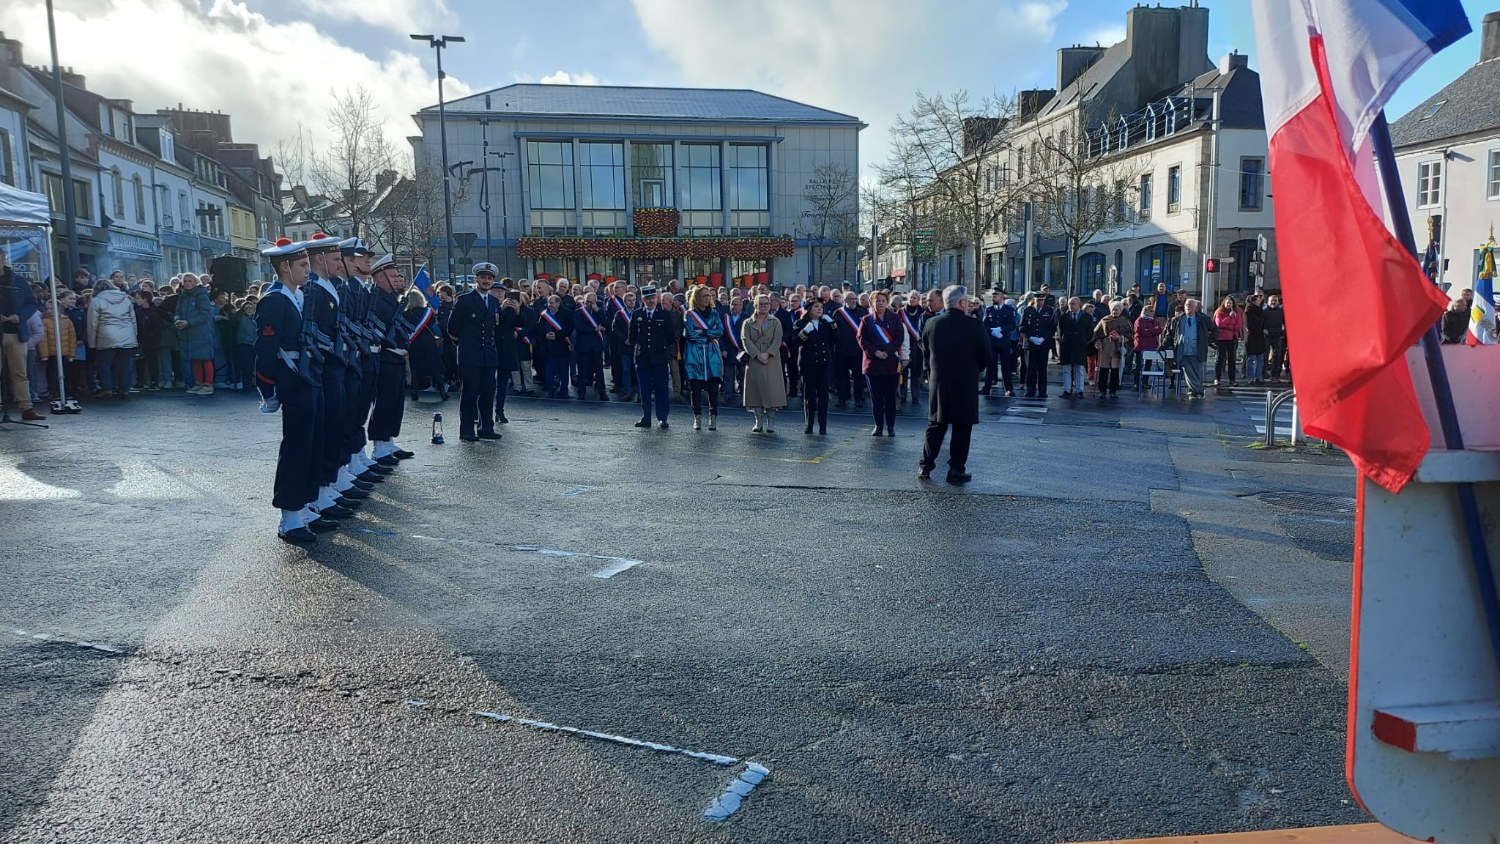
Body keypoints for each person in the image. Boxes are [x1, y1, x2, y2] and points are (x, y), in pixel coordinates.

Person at [255, 239, 326, 544]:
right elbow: (266, 350)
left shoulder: (298, 296)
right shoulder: (274, 301)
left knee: (312, 444)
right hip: (292, 380)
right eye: (303, 265)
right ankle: (290, 516)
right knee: (297, 447)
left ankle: (305, 505)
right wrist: (268, 389)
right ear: (285, 266)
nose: (309, 270)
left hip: (309, 377)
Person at [919, 285, 990, 483]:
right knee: (962, 428)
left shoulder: (931, 323)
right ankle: (956, 469)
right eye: (966, 301)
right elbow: (985, 355)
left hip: (939, 382)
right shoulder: (974, 325)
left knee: (936, 425)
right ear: (962, 303)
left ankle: (925, 466)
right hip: (964, 383)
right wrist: (974, 370)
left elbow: (926, 352)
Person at [446, 262, 503, 441]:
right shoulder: (465, 300)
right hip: (470, 354)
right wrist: (464, 345)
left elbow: (494, 327)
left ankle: (486, 427)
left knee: (488, 393)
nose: (486, 281)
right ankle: (467, 429)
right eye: (483, 277)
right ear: (476, 279)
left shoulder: (494, 301)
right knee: (470, 393)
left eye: (489, 278)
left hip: (488, 354)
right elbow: (452, 328)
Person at [367, 254, 416, 461]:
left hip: (396, 357)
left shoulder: (391, 298)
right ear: (380, 277)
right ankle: (379, 446)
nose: (398, 279)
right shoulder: (375, 298)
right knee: (385, 402)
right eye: (393, 276)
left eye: (398, 276)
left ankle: (388, 442)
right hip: (384, 356)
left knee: (396, 402)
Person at [0, 252, 44, 420]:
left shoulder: (18, 280)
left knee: (20, 372)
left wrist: (20, 316)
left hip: (17, 332)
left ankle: (26, 407)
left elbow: (31, 303)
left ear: (3, 258)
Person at [859, 289, 906, 437]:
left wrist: (887, 350)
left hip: (890, 363)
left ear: (887, 302)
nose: (880, 303)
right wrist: (875, 352)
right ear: (872, 302)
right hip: (873, 364)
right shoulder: (866, 320)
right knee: (876, 399)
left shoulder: (895, 318)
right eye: (877, 300)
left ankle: (890, 426)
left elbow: (900, 337)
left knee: (890, 398)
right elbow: (861, 339)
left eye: (883, 300)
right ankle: (878, 426)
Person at [627, 285, 674, 429]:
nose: (651, 301)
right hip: (642, 358)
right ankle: (646, 417)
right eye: (647, 298)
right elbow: (632, 336)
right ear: (643, 299)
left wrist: (660, 346)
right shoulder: (637, 314)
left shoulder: (664, 315)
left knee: (661, 389)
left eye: (653, 298)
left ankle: (662, 418)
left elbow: (671, 337)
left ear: (657, 298)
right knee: (644, 390)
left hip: (659, 358)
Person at [681, 285, 725, 431]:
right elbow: (690, 334)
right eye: (704, 295)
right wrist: (708, 334)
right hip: (695, 355)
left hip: (712, 354)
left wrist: (704, 332)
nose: (707, 298)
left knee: (713, 389)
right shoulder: (689, 314)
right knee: (695, 389)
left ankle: (713, 417)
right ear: (697, 298)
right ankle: (697, 416)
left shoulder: (715, 313)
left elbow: (720, 331)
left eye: (708, 295)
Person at [741, 293, 786, 433]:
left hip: (771, 359)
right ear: (755, 305)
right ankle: (758, 421)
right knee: (755, 391)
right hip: (754, 359)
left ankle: (771, 421)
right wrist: (757, 354)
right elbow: (745, 339)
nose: (765, 306)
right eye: (761, 304)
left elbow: (778, 339)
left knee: (771, 390)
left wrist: (768, 353)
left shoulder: (775, 321)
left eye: (767, 303)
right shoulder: (748, 322)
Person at [87, 278, 139, 399]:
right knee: (125, 363)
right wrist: (134, 334)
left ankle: (107, 388)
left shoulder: (97, 300)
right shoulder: (125, 299)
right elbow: (132, 319)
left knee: (104, 363)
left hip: (106, 334)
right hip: (126, 333)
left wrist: (92, 342)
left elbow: (92, 323)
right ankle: (125, 389)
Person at [795, 298, 835, 435]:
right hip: (808, 364)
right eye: (816, 307)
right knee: (809, 396)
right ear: (809, 309)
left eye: (821, 307)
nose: (819, 309)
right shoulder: (801, 323)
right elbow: (795, 342)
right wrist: (805, 332)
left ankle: (823, 426)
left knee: (823, 396)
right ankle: (809, 424)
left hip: (824, 364)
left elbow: (837, 339)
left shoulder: (826, 324)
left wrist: (833, 324)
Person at [175, 273, 216, 395]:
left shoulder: (202, 295)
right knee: (195, 359)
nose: (187, 283)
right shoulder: (183, 296)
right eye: (185, 281)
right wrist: (177, 319)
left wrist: (189, 322)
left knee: (205, 359)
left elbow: (205, 314)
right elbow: (178, 311)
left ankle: (208, 385)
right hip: (188, 333)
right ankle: (198, 383)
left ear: (195, 282)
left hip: (201, 332)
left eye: (190, 281)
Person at [1168, 298, 1214, 399]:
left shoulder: (1203, 319)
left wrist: (1207, 340)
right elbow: (1170, 334)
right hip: (1182, 350)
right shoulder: (1177, 320)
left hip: (1197, 350)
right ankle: (1199, 391)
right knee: (1188, 371)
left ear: (1195, 308)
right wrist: (1165, 345)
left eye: (1190, 305)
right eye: (1186, 305)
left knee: (1196, 373)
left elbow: (1215, 330)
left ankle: (1195, 392)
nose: (1188, 307)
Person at [572, 292, 609, 401]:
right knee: (582, 370)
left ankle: (602, 392)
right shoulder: (579, 312)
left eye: (591, 302)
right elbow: (579, 327)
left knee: (599, 370)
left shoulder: (599, 312)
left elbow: (606, 324)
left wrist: (598, 311)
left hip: (596, 345)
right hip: (583, 345)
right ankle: (581, 393)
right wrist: (594, 329)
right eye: (587, 301)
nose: (589, 304)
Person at [1019, 293, 1057, 398]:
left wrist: (1043, 338)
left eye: (1042, 300)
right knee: (1031, 368)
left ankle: (1042, 391)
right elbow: (1022, 327)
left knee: (1042, 368)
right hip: (1031, 344)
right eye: (1038, 300)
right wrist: (1030, 337)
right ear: (1034, 300)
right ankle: (1030, 390)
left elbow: (1052, 328)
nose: (1040, 302)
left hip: (1043, 344)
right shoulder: (1027, 311)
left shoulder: (1049, 311)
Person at [981, 290, 1018, 396]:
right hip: (992, 341)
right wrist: (992, 330)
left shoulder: (1008, 310)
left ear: (1001, 297)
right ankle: (987, 387)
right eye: (993, 296)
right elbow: (984, 325)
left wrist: (1001, 329)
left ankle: (1008, 388)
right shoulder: (989, 309)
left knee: (1006, 365)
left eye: (995, 296)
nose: (993, 298)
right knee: (990, 365)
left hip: (1003, 340)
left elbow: (1012, 325)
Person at [536, 294, 574, 399]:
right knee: (549, 371)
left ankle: (564, 391)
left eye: (552, 303)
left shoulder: (567, 313)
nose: (549, 305)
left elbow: (569, 328)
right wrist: (545, 335)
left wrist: (557, 335)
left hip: (562, 347)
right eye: (548, 303)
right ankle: (550, 391)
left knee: (564, 371)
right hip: (549, 348)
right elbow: (539, 328)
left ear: (558, 303)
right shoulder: (544, 314)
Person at [1092, 301, 1132, 399]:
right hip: (1105, 347)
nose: (1115, 311)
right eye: (1113, 309)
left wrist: (1119, 338)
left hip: (1117, 347)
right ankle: (1102, 390)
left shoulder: (1124, 321)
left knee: (1115, 370)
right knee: (1103, 369)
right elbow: (1096, 333)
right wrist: (1098, 342)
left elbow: (1130, 335)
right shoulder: (1105, 320)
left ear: (1121, 310)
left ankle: (1113, 390)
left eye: (1117, 310)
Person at [1056, 297, 1094, 399]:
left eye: (1073, 304)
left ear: (1079, 304)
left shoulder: (1087, 317)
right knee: (1066, 369)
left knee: (1079, 368)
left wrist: (1083, 341)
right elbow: (1061, 331)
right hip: (1067, 346)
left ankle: (1079, 390)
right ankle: (1067, 390)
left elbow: (1090, 333)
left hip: (1080, 346)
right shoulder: (1064, 317)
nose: (1070, 306)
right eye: (1069, 304)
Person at [609, 290, 637, 402]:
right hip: (624, 346)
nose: (632, 302)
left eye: (633, 300)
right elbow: (615, 329)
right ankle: (628, 391)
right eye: (629, 300)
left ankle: (640, 393)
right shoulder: (619, 314)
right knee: (626, 370)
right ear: (624, 302)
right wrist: (624, 339)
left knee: (638, 370)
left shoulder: (639, 312)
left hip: (637, 346)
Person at [1132, 306, 1163, 389]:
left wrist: (1149, 330)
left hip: (1151, 346)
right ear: (1145, 311)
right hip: (1141, 346)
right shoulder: (1139, 320)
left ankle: (1145, 382)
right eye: (1151, 311)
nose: (1152, 312)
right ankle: (1137, 383)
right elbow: (1141, 331)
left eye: (1153, 311)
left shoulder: (1153, 320)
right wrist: (1152, 331)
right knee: (1139, 365)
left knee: (1148, 365)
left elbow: (1159, 330)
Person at [1243, 293, 1268, 385]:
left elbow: (1263, 321)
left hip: (1260, 336)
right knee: (1251, 358)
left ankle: (1258, 377)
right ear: (1254, 301)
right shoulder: (1249, 310)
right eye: (1258, 299)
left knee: (1260, 357)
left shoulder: (1260, 310)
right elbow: (1250, 324)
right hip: (1252, 336)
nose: (1260, 300)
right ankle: (1250, 377)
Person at [1263, 294, 1289, 381]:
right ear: (1268, 302)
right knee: (1265, 355)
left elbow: (1286, 323)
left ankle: (1274, 375)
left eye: (1275, 300)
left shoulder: (1281, 311)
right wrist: (1263, 329)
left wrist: (1283, 333)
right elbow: (1261, 322)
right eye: (1271, 300)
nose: (1273, 302)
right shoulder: (1264, 311)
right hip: (1267, 336)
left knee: (1277, 356)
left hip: (1277, 335)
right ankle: (1263, 374)